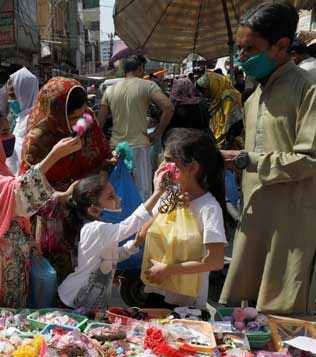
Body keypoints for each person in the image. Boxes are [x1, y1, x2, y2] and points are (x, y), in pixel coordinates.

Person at [220, 2, 316, 314]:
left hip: (292, 221)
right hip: (253, 217)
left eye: (250, 49)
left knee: (284, 316)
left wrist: (248, 160)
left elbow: (309, 160)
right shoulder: (253, 98)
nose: (241, 57)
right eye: (239, 48)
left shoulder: (308, 89)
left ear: (281, 46)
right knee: (247, 315)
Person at [0, 111, 81, 307]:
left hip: (16, 258)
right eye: (3, 133)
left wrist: (28, 239)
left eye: (9, 130)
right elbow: (19, 196)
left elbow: (16, 207)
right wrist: (53, 156)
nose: (9, 137)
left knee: (13, 324)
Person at [19, 77, 112, 281]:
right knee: (59, 277)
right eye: (72, 118)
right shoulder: (39, 139)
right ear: (55, 114)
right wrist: (56, 158)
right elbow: (26, 190)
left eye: (81, 114)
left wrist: (109, 161)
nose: (77, 122)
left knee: (90, 273)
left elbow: (99, 154)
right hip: (53, 223)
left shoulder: (86, 121)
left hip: (87, 212)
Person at [58, 168, 167, 310]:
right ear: (93, 210)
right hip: (72, 302)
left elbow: (110, 259)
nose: (119, 199)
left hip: (88, 304)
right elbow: (131, 224)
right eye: (111, 197)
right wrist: (158, 193)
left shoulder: (101, 229)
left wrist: (135, 244)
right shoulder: (96, 229)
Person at [144, 129, 227, 309]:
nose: (162, 166)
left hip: (187, 302)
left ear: (192, 167)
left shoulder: (209, 209)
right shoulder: (170, 194)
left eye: (168, 160)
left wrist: (168, 270)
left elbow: (215, 261)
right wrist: (159, 193)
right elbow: (142, 232)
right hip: (157, 291)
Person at [97, 55, 175, 200]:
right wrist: (157, 133)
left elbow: (99, 123)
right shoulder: (147, 85)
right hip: (139, 146)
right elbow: (169, 107)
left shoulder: (110, 90)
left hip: (116, 148)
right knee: (142, 193)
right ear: (140, 68)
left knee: (119, 192)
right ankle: (142, 223)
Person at [195, 71, 243, 149]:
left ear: (213, 86)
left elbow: (234, 121)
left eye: (204, 91)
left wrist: (229, 141)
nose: (204, 95)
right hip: (218, 141)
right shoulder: (216, 99)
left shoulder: (229, 97)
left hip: (230, 142)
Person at [5, 67, 39, 175]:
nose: (10, 101)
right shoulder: (19, 118)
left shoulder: (36, 120)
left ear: (24, 94)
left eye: (13, 96)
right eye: (9, 96)